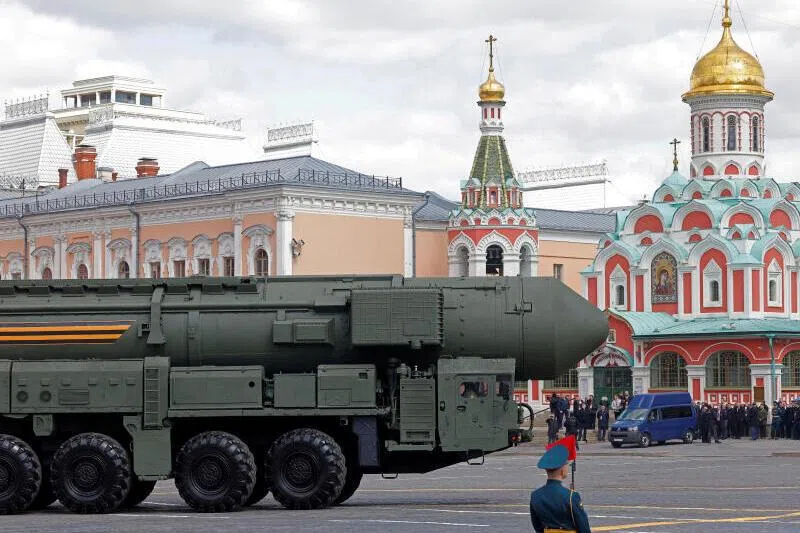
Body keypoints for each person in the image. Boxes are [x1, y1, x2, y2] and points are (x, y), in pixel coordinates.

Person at [529, 445, 592, 533]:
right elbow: (583, 527)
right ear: (562, 470)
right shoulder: (571, 496)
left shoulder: (535, 495)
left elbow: (537, 526)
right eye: (566, 465)